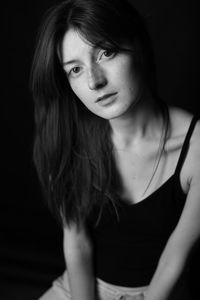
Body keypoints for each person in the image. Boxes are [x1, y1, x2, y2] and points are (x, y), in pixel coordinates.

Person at [30, 0, 200, 299]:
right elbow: (77, 242)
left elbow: (174, 261)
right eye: (75, 69)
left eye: (106, 52)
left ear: (138, 45)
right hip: (79, 287)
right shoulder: (70, 137)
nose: (95, 81)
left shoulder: (196, 147)